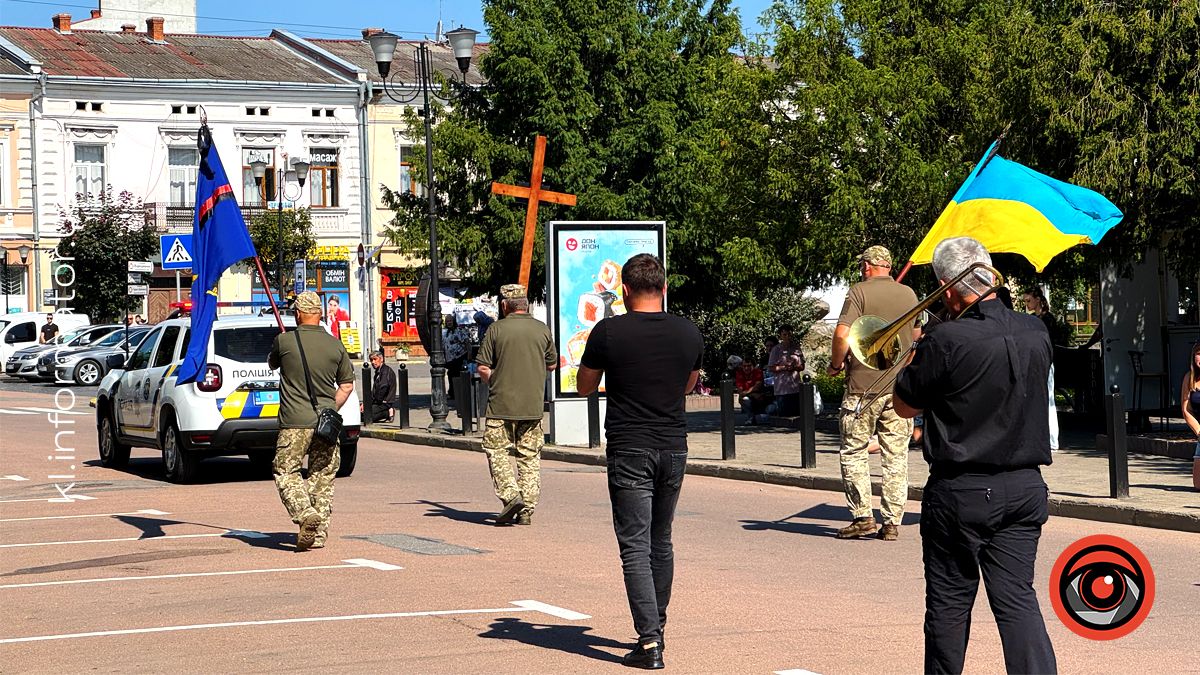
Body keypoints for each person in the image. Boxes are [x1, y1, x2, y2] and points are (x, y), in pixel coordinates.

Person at [892, 237, 1057, 674]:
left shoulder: (945, 338)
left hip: (961, 490)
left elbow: (905, 405)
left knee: (948, 605)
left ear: (947, 288)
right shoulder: (1035, 330)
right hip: (1024, 486)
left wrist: (917, 351)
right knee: (1018, 602)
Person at [577, 253, 703, 670]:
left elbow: (584, 388)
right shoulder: (688, 332)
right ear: (663, 288)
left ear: (625, 290)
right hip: (674, 445)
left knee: (634, 544)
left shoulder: (608, 332)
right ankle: (657, 628)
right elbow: (688, 384)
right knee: (660, 539)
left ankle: (649, 642)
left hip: (630, 445)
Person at [828, 245, 920, 540]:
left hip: (862, 389)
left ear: (867, 266)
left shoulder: (859, 292)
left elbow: (842, 334)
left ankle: (863, 516)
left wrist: (835, 364)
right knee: (896, 455)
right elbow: (916, 338)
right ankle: (892, 522)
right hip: (898, 389)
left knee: (854, 451)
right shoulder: (909, 294)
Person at [268, 291, 355, 551]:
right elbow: (347, 386)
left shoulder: (284, 341)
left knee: (286, 471)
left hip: (294, 422)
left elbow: (273, 363)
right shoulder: (335, 345)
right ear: (320, 314)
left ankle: (305, 514)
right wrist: (330, 408)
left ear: (297, 314)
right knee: (322, 475)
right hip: (325, 424)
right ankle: (318, 536)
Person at [475, 283, 557, 526]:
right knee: (529, 456)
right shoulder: (542, 329)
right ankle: (527, 510)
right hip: (532, 406)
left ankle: (511, 495)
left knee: (497, 451)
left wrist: (496, 379)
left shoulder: (496, 329)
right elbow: (551, 364)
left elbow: (482, 366)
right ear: (526, 304)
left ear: (504, 305)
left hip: (501, 405)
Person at [766, 325, 805, 416]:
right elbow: (771, 367)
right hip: (782, 389)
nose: (787, 337)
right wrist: (784, 368)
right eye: (784, 334)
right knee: (784, 415)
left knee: (797, 414)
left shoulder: (796, 348)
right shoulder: (776, 350)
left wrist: (794, 367)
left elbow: (802, 366)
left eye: (789, 334)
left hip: (795, 387)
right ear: (781, 336)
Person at [1182, 342, 1200, 490]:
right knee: (1198, 485)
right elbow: (1186, 409)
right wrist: (1199, 431)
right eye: (1199, 353)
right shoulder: (1189, 378)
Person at [733, 356, 767, 423]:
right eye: (744, 366)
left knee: (770, 409)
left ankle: (757, 417)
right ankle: (751, 417)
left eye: (749, 366)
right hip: (751, 396)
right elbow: (740, 391)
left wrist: (747, 392)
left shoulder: (758, 372)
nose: (746, 368)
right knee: (744, 399)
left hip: (761, 399)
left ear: (753, 366)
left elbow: (757, 386)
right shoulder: (739, 374)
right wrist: (751, 393)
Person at [368, 351, 397, 423]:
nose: (373, 362)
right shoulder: (378, 371)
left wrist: (374, 402)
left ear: (381, 359)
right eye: (371, 360)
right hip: (377, 402)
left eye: (375, 359)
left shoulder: (385, 371)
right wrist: (367, 402)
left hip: (384, 402)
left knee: (367, 416)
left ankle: (387, 413)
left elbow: (383, 387)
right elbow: (374, 390)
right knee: (361, 412)